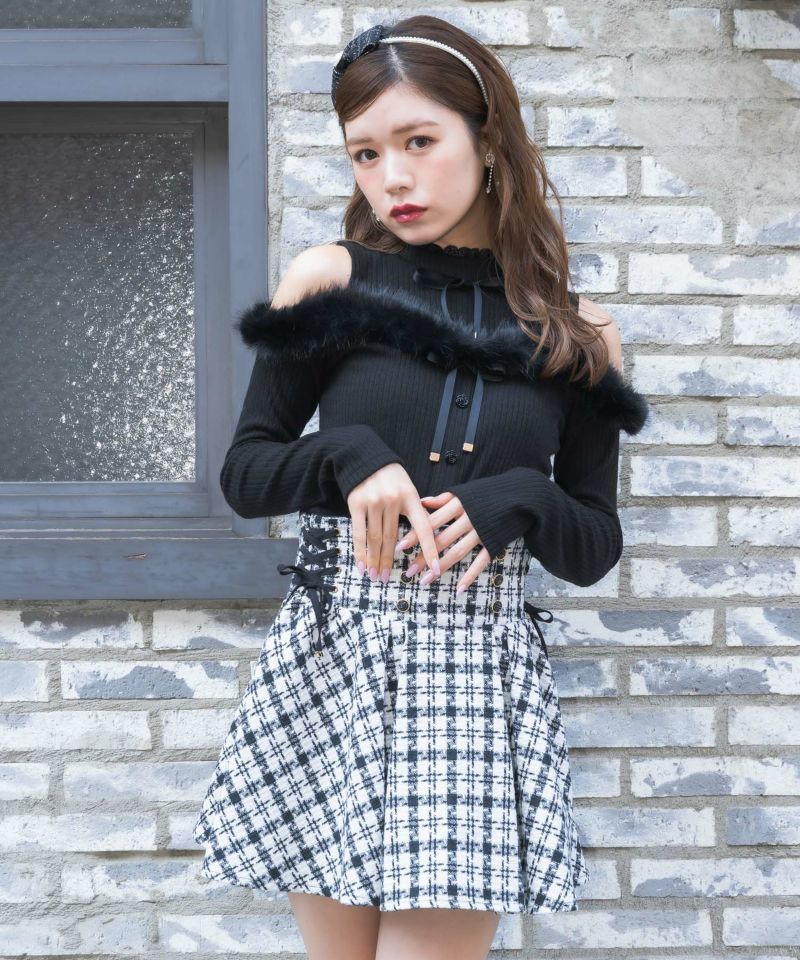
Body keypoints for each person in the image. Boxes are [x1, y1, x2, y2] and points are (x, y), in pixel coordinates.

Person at [193, 15, 650, 960]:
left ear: (487, 140)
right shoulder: (332, 280)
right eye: (365, 153)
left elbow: (593, 545)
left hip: (473, 678)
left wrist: (520, 496)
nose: (391, 178)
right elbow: (247, 474)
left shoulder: (578, 334)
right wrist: (349, 453)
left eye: (417, 141)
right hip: (334, 663)